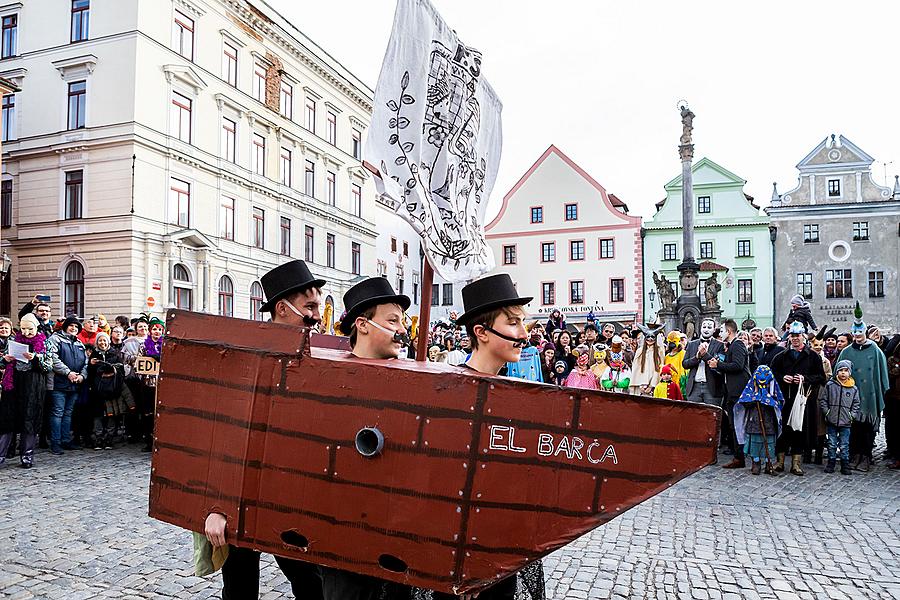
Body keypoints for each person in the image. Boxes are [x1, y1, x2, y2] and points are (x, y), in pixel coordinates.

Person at [203, 260, 326, 600]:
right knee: (241, 586)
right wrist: (219, 504)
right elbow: (226, 435)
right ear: (283, 308)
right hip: (244, 493)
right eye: (310, 306)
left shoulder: (316, 357)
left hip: (289, 495)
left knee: (310, 580)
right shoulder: (246, 357)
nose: (317, 315)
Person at [449, 272, 544, 600]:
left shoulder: (513, 393)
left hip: (501, 551)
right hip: (463, 559)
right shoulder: (453, 394)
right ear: (482, 332)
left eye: (523, 323)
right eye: (513, 323)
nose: (524, 334)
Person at [319, 277, 413, 600]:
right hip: (345, 547)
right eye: (393, 320)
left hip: (396, 544)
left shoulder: (411, 380)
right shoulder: (329, 379)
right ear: (362, 325)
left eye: (403, 321)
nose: (403, 330)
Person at [836, 303, 889, 472]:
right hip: (850, 397)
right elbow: (837, 374)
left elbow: (882, 374)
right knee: (852, 427)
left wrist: (882, 391)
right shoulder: (846, 352)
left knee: (867, 427)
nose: (857, 335)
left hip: (869, 395)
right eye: (855, 333)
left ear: (865, 332)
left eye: (860, 332)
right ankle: (854, 455)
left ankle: (866, 456)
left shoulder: (875, 350)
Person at [769, 322, 826, 475]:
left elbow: (821, 377)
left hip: (802, 400)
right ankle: (779, 462)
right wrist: (782, 378)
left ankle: (796, 464)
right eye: (792, 336)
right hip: (784, 400)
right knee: (782, 431)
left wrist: (805, 378)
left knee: (799, 431)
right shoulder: (781, 356)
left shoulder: (813, 356)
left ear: (803, 337)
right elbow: (772, 374)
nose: (795, 339)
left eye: (798, 336)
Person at [0, 314, 52, 467]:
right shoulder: (13, 341)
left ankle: (27, 456)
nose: (26, 332)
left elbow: (49, 366)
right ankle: (1, 455)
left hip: (33, 385)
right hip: (13, 383)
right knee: (7, 419)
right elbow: (2, 361)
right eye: (23, 329)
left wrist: (35, 358)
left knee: (29, 420)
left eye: (30, 329)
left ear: (36, 328)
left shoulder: (44, 342)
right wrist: (5, 360)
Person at [46, 315, 88, 455]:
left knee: (68, 413)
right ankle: (55, 442)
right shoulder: (55, 339)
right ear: (65, 326)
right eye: (71, 325)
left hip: (74, 384)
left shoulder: (79, 343)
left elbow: (85, 362)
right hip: (59, 383)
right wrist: (68, 372)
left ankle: (65, 440)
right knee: (57, 413)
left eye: (76, 327)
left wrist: (82, 376)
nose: (73, 328)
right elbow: (53, 358)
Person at [714, 320, 752, 469]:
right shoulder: (731, 346)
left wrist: (718, 365)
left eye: (722, 331)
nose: (720, 334)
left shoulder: (738, 345)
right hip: (731, 391)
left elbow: (737, 365)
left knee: (739, 424)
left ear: (729, 332)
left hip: (738, 392)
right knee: (735, 424)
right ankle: (738, 456)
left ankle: (740, 457)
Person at [88, 332, 134, 450]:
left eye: (104, 340)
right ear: (97, 342)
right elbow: (90, 374)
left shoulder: (115, 354)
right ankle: (97, 438)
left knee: (111, 415)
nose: (102, 343)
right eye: (100, 341)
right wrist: (93, 365)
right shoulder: (93, 355)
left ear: (108, 342)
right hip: (98, 391)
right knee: (98, 416)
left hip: (112, 391)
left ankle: (108, 439)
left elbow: (121, 372)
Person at [734, 366, 783, 476]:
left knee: (769, 444)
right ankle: (756, 463)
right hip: (754, 421)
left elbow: (779, 402)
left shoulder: (773, 388)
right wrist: (755, 398)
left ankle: (768, 464)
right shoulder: (751, 388)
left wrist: (768, 400)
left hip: (769, 423)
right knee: (755, 444)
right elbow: (744, 402)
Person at [818, 360, 860, 475]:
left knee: (844, 444)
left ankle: (844, 463)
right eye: (840, 370)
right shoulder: (830, 385)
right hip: (832, 420)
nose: (843, 373)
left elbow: (856, 404)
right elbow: (824, 400)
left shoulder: (853, 388)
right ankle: (831, 462)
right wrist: (827, 412)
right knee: (831, 443)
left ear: (849, 373)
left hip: (846, 421)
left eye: (845, 371)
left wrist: (852, 416)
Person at [683, 319, 725, 407]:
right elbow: (685, 364)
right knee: (693, 415)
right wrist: (697, 357)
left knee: (711, 416)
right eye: (704, 327)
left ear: (714, 330)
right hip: (694, 386)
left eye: (709, 327)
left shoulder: (720, 345)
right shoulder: (692, 344)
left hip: (712, 387)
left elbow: (719, 365)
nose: (706, 330)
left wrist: (705, 355)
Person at [629, 326, 664, 396]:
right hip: (640, 386)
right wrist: (640, 384)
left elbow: (660, 368)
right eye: (648, 337)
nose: (650, 339)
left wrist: (652, 385)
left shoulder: (659, 351)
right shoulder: (640, 351)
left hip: (653, 386)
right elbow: (636, 368)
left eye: (652, 337)